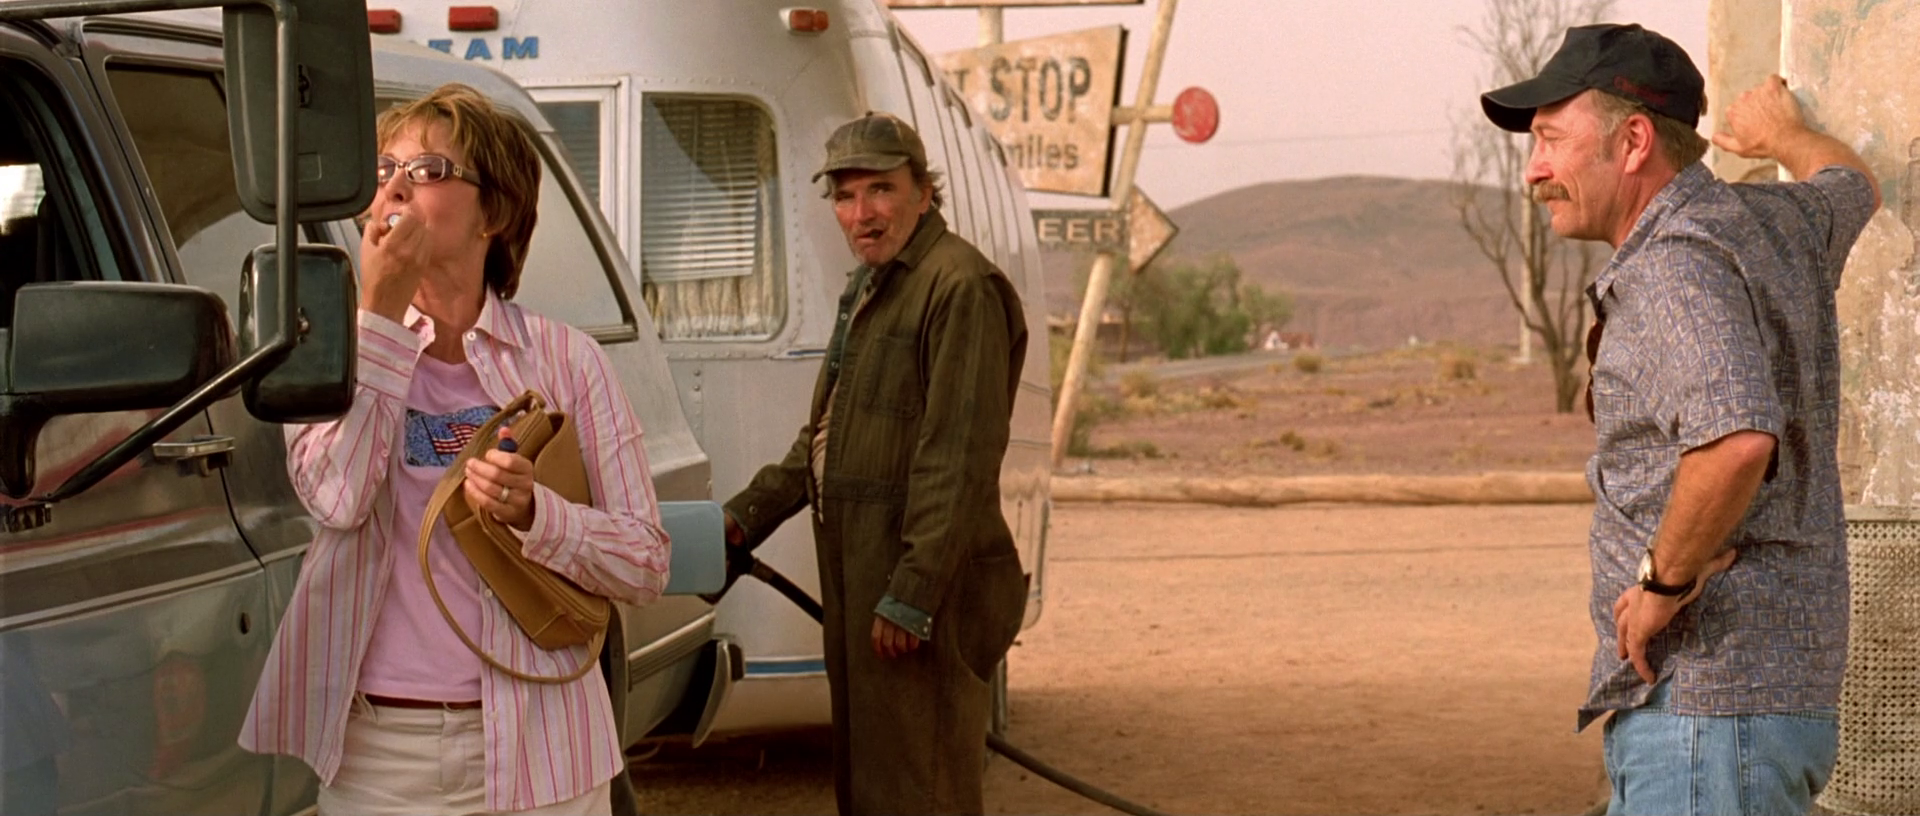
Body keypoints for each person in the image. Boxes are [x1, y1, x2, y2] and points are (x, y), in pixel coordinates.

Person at [239, 83, 671, 815]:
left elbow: (646, 562)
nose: (396, 188)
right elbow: (337, 498)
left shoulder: (567, 360)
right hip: (382, 756)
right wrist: (378, 317)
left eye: (429, 170)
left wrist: (538, 514)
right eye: (384, 170)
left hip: (546, 746)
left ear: (493, 214)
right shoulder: (325, 353)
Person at [1481, 24, 1880, 815]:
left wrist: (1662, 581)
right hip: (1759, 709)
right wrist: (1787, 136)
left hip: (1708, 711)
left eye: (1552, 140)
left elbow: (1735, 441)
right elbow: (1853, 186)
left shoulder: (1672, 265)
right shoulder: (1773, 223)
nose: (1534, 170)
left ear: (1633, 142)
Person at [720, 112, 1030, 815]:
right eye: (845, 196)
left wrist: (913, 592)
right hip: (866, 580)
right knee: (872, 790)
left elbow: (959, 456)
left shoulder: (959, 286)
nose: (862, 214)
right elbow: (827, 438)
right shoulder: (870, 287)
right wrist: (744, 517)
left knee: (923, 793)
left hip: (927, 592)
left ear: (924, 192)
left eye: (881, 190)